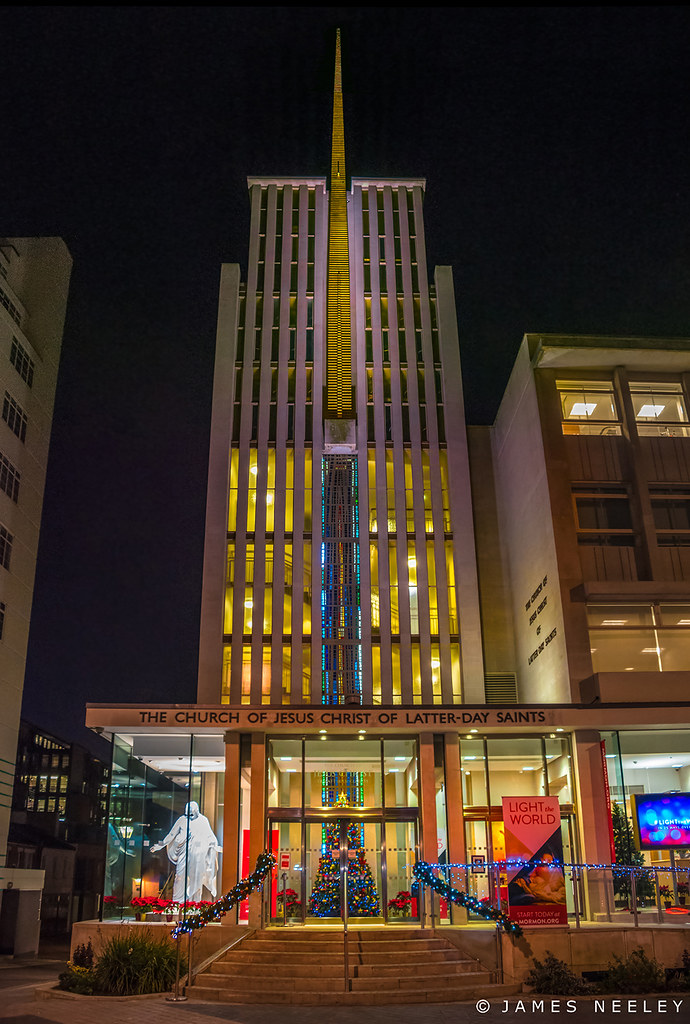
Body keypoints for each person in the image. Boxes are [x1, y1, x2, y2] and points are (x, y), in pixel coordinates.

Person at [150, 801, 221, 903]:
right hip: (183, 852)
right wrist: (160, 845)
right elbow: (171, 834)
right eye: (187, 814)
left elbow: (210, 836)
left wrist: (215, 845)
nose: (189, 817)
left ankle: (194, 903)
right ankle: (178, 901)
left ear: (197, 811)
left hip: (198, 855)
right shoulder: (182, 820)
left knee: (196, 877)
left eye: (191, 814)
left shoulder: (203, 820)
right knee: (179, 876)